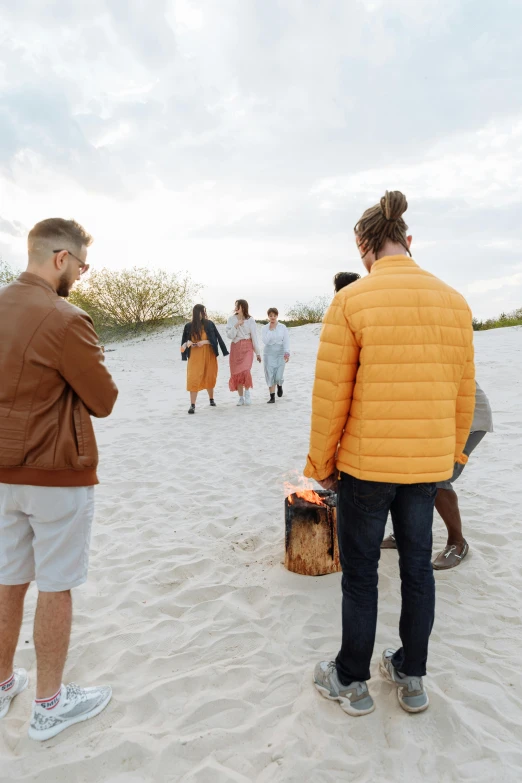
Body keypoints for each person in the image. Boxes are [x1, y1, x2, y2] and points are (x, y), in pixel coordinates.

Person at [304, 191, 475, 717]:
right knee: (417, 570)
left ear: (363, 247)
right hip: (426, 467)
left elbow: (332, 394)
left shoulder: (351, 300)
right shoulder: (454, 300)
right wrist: (453, 459)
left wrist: (320, 466)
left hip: (366, 466)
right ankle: (411, 675)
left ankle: (351, 680)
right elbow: (462, 392)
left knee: (360, 574)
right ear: (408, 239)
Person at [0, 218, 118, 741]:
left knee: (7, 580)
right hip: (55, 474)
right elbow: (104, 399)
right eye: (81, 265)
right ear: (59, 259)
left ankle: (2, 684)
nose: (82, 275)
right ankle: (48, 704)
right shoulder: (66, 318)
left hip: (1, 472)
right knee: (56, 584)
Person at [382, 381, 493, 569]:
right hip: (434, 420)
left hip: (466, 420)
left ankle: (457, 543)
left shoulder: (434, 356)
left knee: (438, 476)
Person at [181, 304, 229, 414]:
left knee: (210, 375)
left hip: (209, 354)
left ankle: (211, 399)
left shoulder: (209, 324)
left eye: (204, 312)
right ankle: (192, 405)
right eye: (201, 312)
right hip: (195, 356)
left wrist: (204, 342)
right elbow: (182, 346)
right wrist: (189, 344)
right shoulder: (189, 326)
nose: (203, 314)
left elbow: (216, 339)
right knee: (193, 378)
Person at [226, 299, 262, 406]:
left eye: (238, 306)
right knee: (237, 373)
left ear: (244, 307)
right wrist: (236, 325)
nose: (236, 307)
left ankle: (247, 393)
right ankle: (241, 398)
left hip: (247, 347)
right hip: (236, 347)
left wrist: (258, 353)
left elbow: (254, 336)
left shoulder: (250, 320)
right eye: (235, 305)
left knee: (246, 371)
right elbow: (230, 335)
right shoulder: (231, 319)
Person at [262, 308, 290, 403]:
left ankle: (279, 385)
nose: (272, 317)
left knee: (278, 375)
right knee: (269, 374)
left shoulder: (283, 327)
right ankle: (272, 397)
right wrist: (271, 330)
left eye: (274, 315)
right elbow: (265, 341)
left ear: (277, 316)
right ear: (268, 317)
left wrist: (287, 352)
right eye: (270, 316)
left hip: (280, 352)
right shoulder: (265, 328)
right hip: (268, 352)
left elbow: (286, 340)